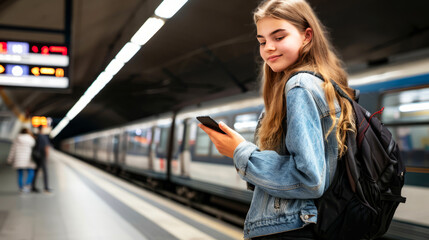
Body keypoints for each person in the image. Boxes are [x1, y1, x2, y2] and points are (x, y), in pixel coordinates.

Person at [198, 0, 356, 239]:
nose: (268, 48)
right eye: (262, 41)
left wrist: (240, 152)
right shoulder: (322, 83)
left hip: (290, 228)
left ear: (306, 36)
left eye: (279, 37)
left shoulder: (299, 86)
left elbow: (309, 179)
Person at [7, 128, 36, 193]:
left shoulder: (17, 139)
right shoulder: (31, 139)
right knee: (31, 172)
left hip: (19, 159)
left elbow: (12, 150)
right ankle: (26, 185)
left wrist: (9, 160)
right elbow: (34, 147)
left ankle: (21, 187)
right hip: (27, 159)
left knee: (20, 174)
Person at [31, 126, 52, 193]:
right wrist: (47, 157)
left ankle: (33, 186)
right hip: (42, 156)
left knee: (36, 171)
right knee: (45, 172)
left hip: (36, 156)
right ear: (42, 129)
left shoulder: (36, 136)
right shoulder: (44, 137)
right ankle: (46, 187)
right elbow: (46, 147)